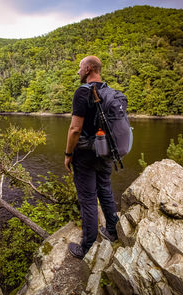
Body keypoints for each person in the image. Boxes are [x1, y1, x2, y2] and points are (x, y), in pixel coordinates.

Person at [64, 55, 119, 259]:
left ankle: (86, 247)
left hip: (85, 155)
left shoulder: (82, 92)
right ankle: (112, 231)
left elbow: (75, 129)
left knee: (87, 199)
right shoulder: (110, 92)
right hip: (106, 152)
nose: (77, 71)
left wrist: (68, 154)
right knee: (105, 189)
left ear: (88, 69)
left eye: (79, 68)